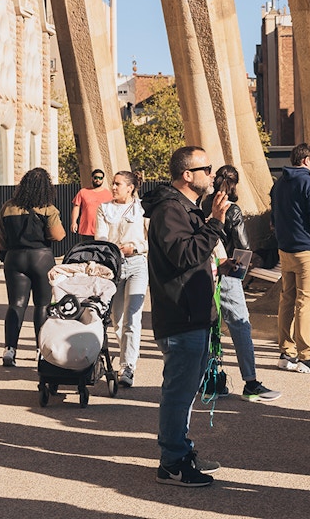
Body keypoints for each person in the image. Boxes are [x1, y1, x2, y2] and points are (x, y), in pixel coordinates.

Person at [142, 146, 229, 487]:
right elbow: (183, 254)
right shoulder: (169, 209)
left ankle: (179, 450)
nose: (213, 174)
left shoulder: (186, 209)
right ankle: (173, 460)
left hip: (192, 315)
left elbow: (194, 254)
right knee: (178, 393)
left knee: (185, 391)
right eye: (206, 168)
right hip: (181, 318)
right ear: (187, 175)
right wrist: (216, 224)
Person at [202, 165, 281, 402]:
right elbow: (243, 246)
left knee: (210, 327)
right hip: (227, 271)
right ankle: (251, 382)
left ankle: (209, 380)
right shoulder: (231, 210)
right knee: (240, 326)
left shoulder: (203, 205)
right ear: (235, 185)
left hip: (204, 271)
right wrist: (243, 270)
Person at [272, 143, 310, 374]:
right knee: (305, 303)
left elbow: (275, 216)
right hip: (307, 250)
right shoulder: (309, 182)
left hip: (286, 249)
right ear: (306, 160)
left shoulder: (280, 184)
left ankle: (287, 351)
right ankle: (307, 354)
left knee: (287, 300)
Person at [0, 167, 66, 367]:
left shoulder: (8, 207)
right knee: (42, 305)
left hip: (14, 257)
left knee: (16, 304)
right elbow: (58, 235)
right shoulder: (47, 208)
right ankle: (40, 351)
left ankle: (10, 349)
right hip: (41, 257)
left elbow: (0, 236)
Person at [95, 170, 148, 388]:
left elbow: (151, 240)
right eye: (113, 183)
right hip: (113, 267)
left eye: (118, 184)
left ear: (130, 187)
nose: (113, 187)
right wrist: (112, 249)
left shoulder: (142, 209)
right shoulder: (104, 208)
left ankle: (127, 367)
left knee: (132, 319)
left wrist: (135, 247)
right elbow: (100, 238)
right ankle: (128, 351)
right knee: (117, 319)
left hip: (137, 264)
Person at [71, 169, 112, 243]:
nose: (98, 180)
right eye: (96, 177)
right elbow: (76, 207)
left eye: (100, 178)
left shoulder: (108, 194)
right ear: (92, 178)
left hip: (103, 230)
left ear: (103, 179)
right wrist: (74, 222)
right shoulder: (83, 192)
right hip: (86, 229)